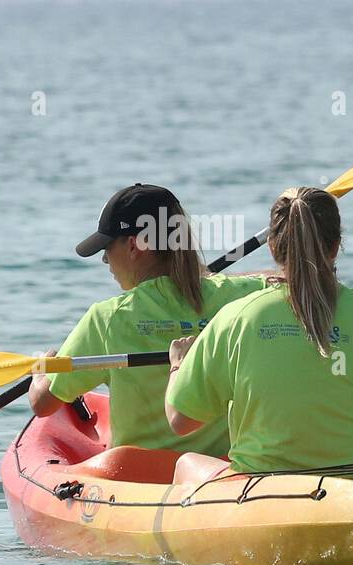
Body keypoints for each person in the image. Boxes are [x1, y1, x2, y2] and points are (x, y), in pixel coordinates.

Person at [165, 186, 353, 483]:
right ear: (336, 246)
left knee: (186, 464)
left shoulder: (236, 319)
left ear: (272, 247)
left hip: (269, 492)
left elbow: (181, 421)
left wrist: (179, 365)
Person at [29, 183, 269, 455]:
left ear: (134, 246)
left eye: (107, 247)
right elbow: (283, 280)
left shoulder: (107, 318)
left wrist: (42, 370)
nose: (105, 260)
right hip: (215, 475)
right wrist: (218, 282)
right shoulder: (237, 298)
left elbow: (44, 404)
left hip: (138, 477)